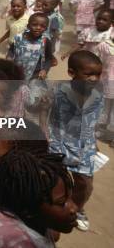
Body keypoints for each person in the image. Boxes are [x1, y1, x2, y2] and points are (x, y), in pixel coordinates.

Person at [49, 50, 103, 232]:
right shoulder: (59, 92)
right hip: (60, 144)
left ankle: (77, 209)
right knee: (57, 180)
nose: (94, 79)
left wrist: (93, 142)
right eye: (88, 74)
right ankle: (54, 210)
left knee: (85, 184)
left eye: (98, 74)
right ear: (72, 73)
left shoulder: (98, 94)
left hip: (84, 147)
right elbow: (51, 120)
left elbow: (92, 120)